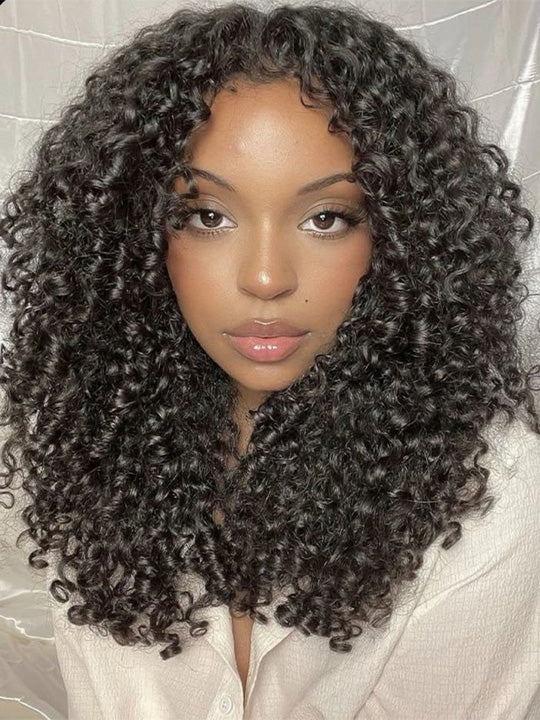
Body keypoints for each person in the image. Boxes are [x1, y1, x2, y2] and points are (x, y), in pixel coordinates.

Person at [0, 3, 539, 719]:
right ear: (135, 234)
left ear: (400, 238)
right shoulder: (93, 445)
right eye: (207, 216)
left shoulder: (495, 487)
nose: (264, 278)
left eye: (326, 218)